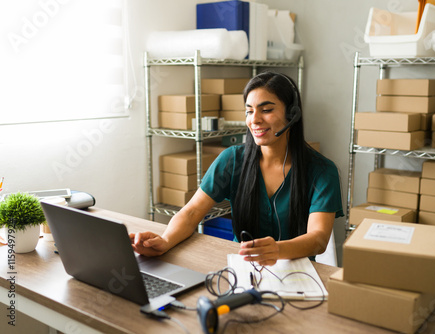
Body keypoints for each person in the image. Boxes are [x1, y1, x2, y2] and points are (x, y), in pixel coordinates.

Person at [130, 72, 344, 266]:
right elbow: (192, 212)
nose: (255, 120)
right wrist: (165, 241)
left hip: (297, 272)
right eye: (249, 111)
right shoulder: (232, 160)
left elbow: (318, 239)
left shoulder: (322, 171)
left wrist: (277, 250)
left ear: (292, 114)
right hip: (242, 267)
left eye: (267, 110)